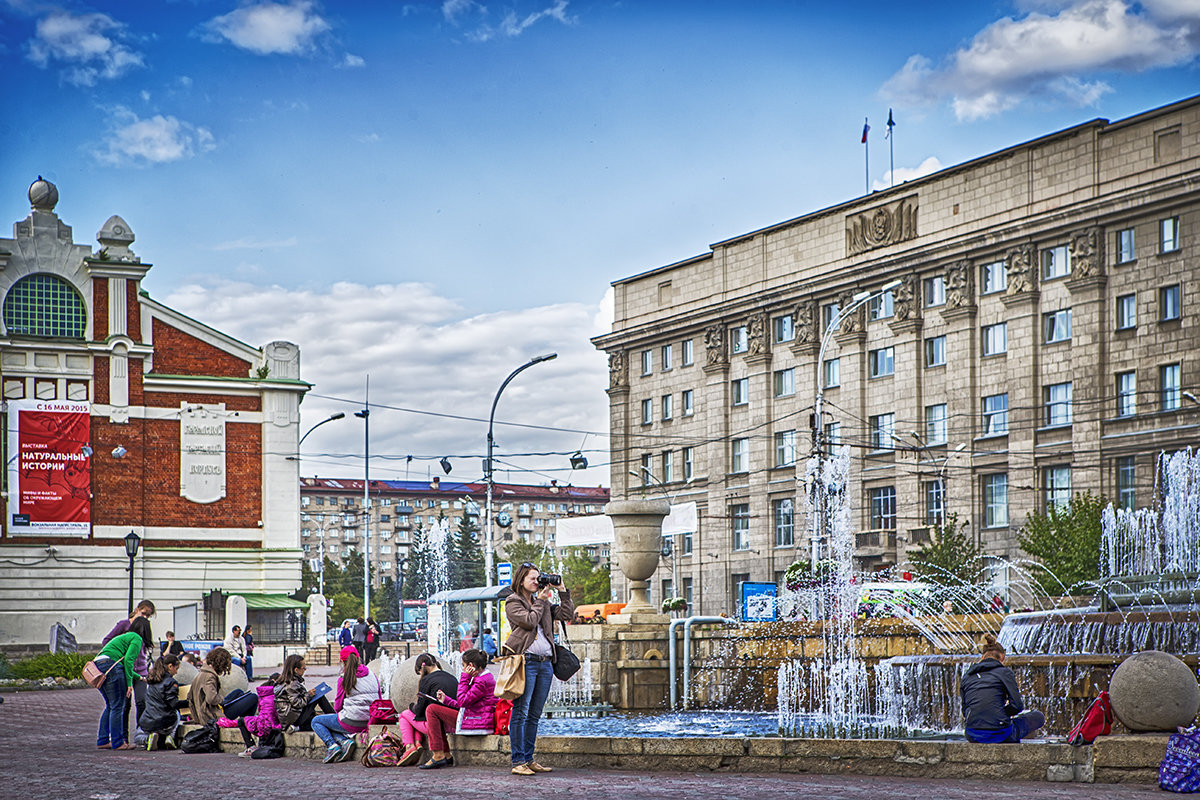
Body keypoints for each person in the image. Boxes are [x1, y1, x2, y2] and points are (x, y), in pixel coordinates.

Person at [504, 562, 574, 775]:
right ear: (521, 580)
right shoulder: (512, 601)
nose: (537, 582)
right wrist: (542, 602)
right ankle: (518, 762)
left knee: (534, 714)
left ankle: (529, 759)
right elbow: (529, 621)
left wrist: (562, 592)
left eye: (538, 578)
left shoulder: (539, 601)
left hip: (545, 663)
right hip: (526, 662)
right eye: (532, 579)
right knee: (521, 713)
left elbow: (566, 614)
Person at [961, 634, 1045, 743]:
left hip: (972, 734)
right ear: (1002, 657)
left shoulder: (968, 675)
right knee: (1038, 716)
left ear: (982, 657)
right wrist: (999, 713)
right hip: (1000, 733)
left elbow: (965, 710)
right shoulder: (1004, 673)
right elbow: (1017, 706)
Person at [422, 648, 496, 769]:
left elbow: (462, 701)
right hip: (475, 717)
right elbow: (465, 704)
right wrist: (446, 700)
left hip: (478, 722)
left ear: (470, 666)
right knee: (435, 710)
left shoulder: (481, 681)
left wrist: (465, 677)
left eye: (463, 666)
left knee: (432, 710)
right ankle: (445, 754)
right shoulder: (482, 678)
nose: (462, 669)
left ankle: (438, 754)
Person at [310, 645, 380, 763]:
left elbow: (337, 706)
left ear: (342, 661)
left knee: (316, 721)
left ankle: (332, 745)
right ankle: (344, 741)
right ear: (358, 658)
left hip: (351, 721)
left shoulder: (344, 678)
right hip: (369, 721)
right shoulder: (372, 675)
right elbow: (379, 699)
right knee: (333, 722)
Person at [93, 615, 153, 750]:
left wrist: (139, 678)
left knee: (110, 705)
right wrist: (130, 684)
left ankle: (102, 740)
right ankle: (118, 742)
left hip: (100, 665)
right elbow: (128, 662)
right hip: (112, 667)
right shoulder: (136, 638)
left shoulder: (126, 636)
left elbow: (126, 665)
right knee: (118, 706)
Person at [397, 653, 457, 766]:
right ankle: (418, 743)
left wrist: (411, 706)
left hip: (435, 726)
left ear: (422, 668)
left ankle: (410, 747)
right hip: (452, 722)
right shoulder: (452, 677)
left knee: (404, 715)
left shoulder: (427, 680)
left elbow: (419, 710)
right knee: (416, 718)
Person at [140, 654, 189, 750]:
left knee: (138, 738)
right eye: (176, 668)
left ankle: (147, 739)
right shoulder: (171, 682)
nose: (176, 672)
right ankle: (170, 737)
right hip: (165, 720)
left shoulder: (151, 679)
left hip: (148, 719)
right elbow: (173, 704)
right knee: (176, 713)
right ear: (170, 666)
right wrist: (189, 702)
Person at [275, 654, 334, 732]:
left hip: (289, 718)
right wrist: (309, 695)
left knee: (319, 721)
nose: (305, 670)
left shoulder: (284, 681)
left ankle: (332, 718)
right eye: (304, 668)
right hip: (294, 719)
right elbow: (297, 703)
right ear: (296, 670)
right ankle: (335, 718)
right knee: (319, 696)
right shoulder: (292, 683)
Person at [231, 673, 282, 757]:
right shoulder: (277, 694)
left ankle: (251, 746)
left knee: (241, 721)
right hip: (273, 726)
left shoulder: (263, 694)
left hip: (263, 726)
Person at [190, 646, 233, 726]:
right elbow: (211, 699)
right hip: (210, 715)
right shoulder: (210, 676)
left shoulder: (200, 673)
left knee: (238, 693)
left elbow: (190, 698)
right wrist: (221, 698)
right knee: (252, 698)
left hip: (203, 712)